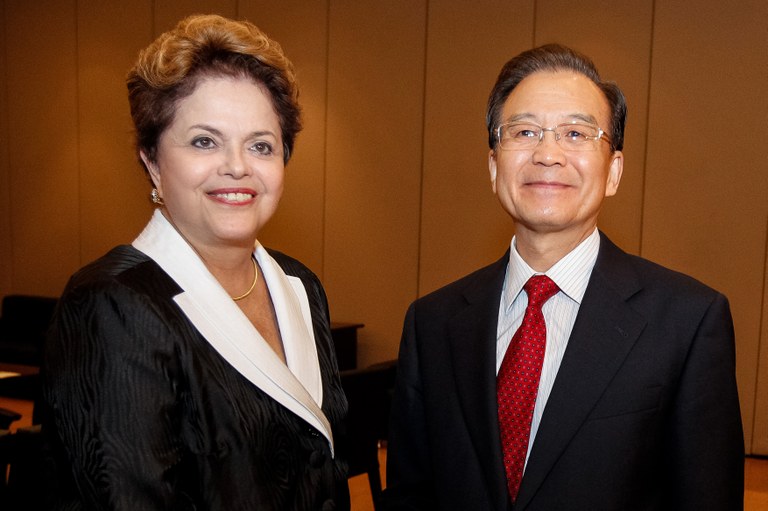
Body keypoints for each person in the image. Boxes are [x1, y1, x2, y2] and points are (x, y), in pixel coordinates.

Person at [382, 44, 744, 510]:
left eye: (576, 132)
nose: (548, 153)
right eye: (525, 131)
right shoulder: (432, 323)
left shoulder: (689, 322)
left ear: (613, 170)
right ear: (494, 166)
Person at [42, 14, 349, 510]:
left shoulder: (298, 284)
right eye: (204, 141)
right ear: (152, 161)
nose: (237, 166)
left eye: (261, 145)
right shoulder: (111, 305)